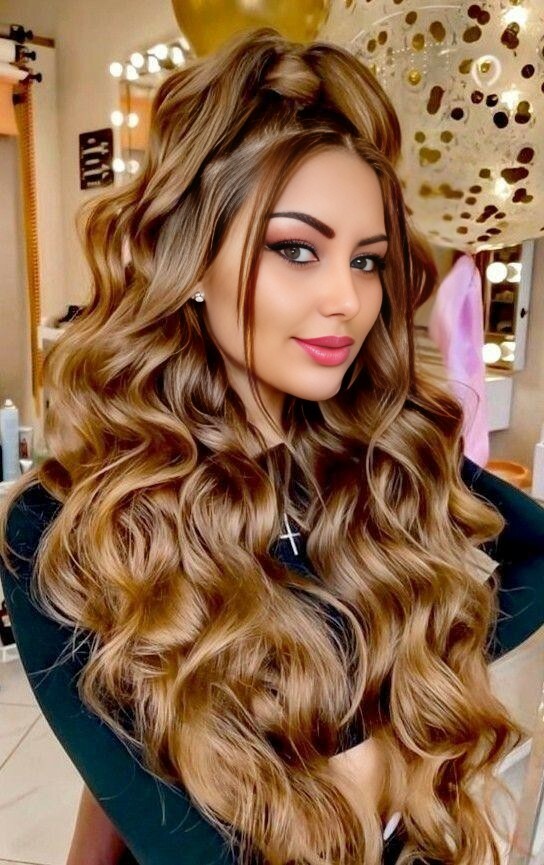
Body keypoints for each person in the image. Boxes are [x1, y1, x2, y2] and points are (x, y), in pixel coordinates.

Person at [1, 27, 543, 865]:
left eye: (368, 261)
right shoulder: (62, 529)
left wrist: (402, 702)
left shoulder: (372, 461)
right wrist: (372, 764)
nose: (348, 299)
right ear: (189, 257)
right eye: (296, 249)